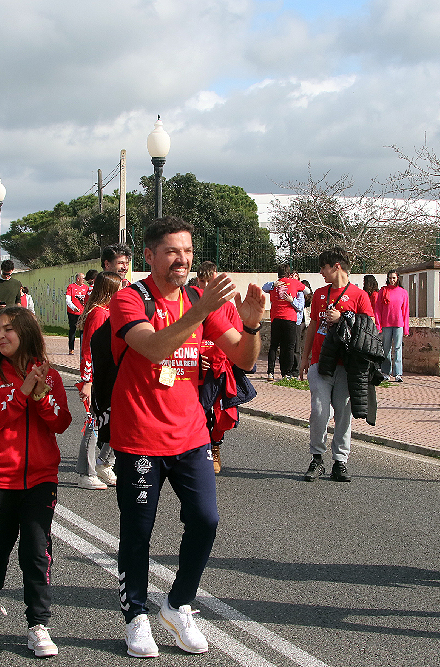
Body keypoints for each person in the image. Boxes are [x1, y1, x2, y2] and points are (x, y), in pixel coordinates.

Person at [108, 217, 263, 657]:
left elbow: (244, 358)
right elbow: (153, 347)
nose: (183, 260)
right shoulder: (129, 299)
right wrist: (197, 312)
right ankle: (136, 614)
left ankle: (178, 604)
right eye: (173, 251)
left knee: (206, 519)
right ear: (150, 256)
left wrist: (252, 325)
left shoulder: (200, 299)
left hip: (190, 434)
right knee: (138, 530)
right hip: (139, 437)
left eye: (188, 252)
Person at [0, 307, 71, 657]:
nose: (1, 336)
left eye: (9, 329)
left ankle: (38, 625)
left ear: (26, 332)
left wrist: (42, 396)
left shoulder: (50, 375)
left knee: (36, 550)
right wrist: (20, 394)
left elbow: (61, 423)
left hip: (41, 479)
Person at [298, 248, 376, 482]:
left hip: (346, 364)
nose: (321, 272)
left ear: (337, 266)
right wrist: (304, 357)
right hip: (321, 363)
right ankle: (317, 458)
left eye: (324, 267)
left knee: (343, 413)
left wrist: (342, 319)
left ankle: (340, 461)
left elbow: (369, 328)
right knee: (319, 412)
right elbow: (312, 326)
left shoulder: (359, 295)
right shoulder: (320, 294)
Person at [197, 261, 253, 475]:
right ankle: (199, 451)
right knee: (197, 413)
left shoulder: (228, 307)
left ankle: (215, 446)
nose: (205, 286)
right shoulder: (192, 305)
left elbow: (237, 340)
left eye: (208, 281)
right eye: (202, 281)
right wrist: (197, 356)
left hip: (219, 368)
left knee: (222, 413)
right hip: (195, 370)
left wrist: (216, 359)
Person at [74, 271, 121, 490]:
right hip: (97, 381)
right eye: (118, 288)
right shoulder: (99, 314)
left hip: (111, 378)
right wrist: (88, 381)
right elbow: (89, 351)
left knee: (116, 420)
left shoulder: (108, 312)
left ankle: (104, 461)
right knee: (94, 424)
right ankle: (86, 472)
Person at [261, 264, 305, 381]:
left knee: (274, 346)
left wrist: (273, 285)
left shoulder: (273, 285)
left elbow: (263, 288)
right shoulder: (294, 283)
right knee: (289, 347)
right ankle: (287, 373)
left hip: (276, 318)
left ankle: (270, 372)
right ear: (289, 273)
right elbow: (307, 290)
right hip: (289, 318)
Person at [374, 270, 409, 382]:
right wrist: (378, 324)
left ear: (397, 278)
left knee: (398, 348)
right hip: (386, 324)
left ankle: (398, 373)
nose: (392, 280)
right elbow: (378, 309)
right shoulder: (383, 291)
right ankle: (386, 372)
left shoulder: (403, 292)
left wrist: (406, 328)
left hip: (399, 324)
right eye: (390, 278)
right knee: (386, 348)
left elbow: (405, 311)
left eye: (394, 278)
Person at [65, 273, 89, 355]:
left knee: (83, 331)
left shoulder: (86, 288)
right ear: (78, 279)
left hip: (82, 313)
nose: (84, 280)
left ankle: (83, 349)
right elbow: (68, 300)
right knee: (72, 330)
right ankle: (71, 348)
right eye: (83, 278)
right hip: (73, 313)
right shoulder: (71, 287)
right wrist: (73, 307)